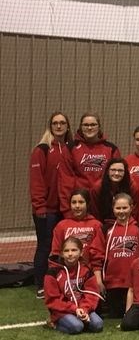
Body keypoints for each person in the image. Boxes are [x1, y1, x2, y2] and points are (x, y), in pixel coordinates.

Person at [30, 111, 72, 298]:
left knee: (64, 246)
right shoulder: (42, 150)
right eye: (55, 123)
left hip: (65, 209)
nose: (59, 126)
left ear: (68, 126)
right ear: (50, 126)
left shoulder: (71, 148)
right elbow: (36, 181)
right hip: (46, 210)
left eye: (62, 123)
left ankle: (60, 280)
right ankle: (41, 283)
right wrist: (40, 206)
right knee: (45, 246)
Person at [59, 112, 120, 213]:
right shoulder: (70, 148)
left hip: (104, 204)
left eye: (93, 125)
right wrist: (67, 209)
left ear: (99, 127)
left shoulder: (111, 149)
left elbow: (116, 179)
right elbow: (65, 180)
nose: (89, 128)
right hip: (79, 206)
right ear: (81, 127)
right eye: (86, 125)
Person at [44, 236, 104, 334]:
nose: (70, 254)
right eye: (66, 251)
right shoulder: (52, 272)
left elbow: (92, 294)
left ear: (81, 252)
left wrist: (84, 309)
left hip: (82, 307)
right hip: (62, 310)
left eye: (74, 250)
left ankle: (78, 320)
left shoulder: (86, 270)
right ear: (62, 254)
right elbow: (52, 300)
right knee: (77, 327)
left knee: (98, 325)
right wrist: (74, 309)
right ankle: (54, 322)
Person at [96, 193, 139, 318]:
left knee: (133, 314)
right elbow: (97, 254)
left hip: (133, 283)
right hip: (112, 283)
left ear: (132, 207)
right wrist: (99, 280)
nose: (121, 211)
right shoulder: (106, 229)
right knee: (115, 314)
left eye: (125, 208)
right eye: (118, 208)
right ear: (113, 209)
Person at [50, 189, 105, 272]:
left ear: (87, 204)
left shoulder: (96, 225)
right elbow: (56, 252)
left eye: (81, 202)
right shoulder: (61, 226)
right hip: (67, 272)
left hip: (89, 272)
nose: (77, 206)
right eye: (74, 202)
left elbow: (99, 252)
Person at [91, 159, 139, 232]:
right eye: (113, 170)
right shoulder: (98, 187)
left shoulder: (132, 187)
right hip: (103, 225)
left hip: (127, 225)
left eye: (120, 171)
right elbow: (95, 211)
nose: (116, 173)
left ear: (125, 172)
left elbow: (134, 211)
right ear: (107, 171)